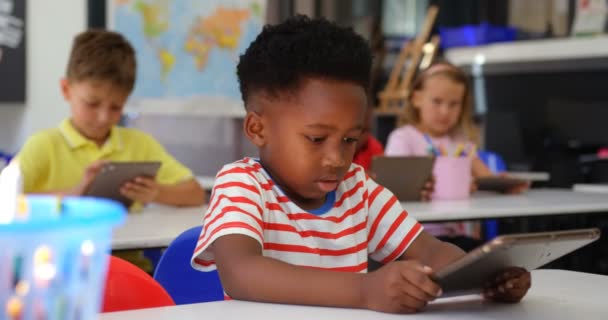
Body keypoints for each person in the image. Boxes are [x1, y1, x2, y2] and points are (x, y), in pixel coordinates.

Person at [191, 16, 530, 313]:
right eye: (316, 139)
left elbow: (429, 250)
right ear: (257, 129)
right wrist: (365, 289)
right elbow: (242, 274)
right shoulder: (242, 184)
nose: (337, 159)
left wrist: (486, 276)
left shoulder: (358, 189)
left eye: (351, 140)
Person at [15, 29, 206, 209]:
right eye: (91, 103)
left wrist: (157, 192)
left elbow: (196, 194)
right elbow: (5, 201)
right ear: (66, 89)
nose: (103, 118)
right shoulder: (43, 146)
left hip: (129, 243)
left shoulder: (140, 145)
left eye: (116, 107)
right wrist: (76, 193)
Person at [385, 61, 528, 246]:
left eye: (454, 104)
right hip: (413, 238)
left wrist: (504, 185)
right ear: (416, 98)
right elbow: (396, 188)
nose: (445, 111)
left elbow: (486, 178)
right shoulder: (403, 138)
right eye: (437, 101)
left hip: (454, 238)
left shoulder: (461, 142)